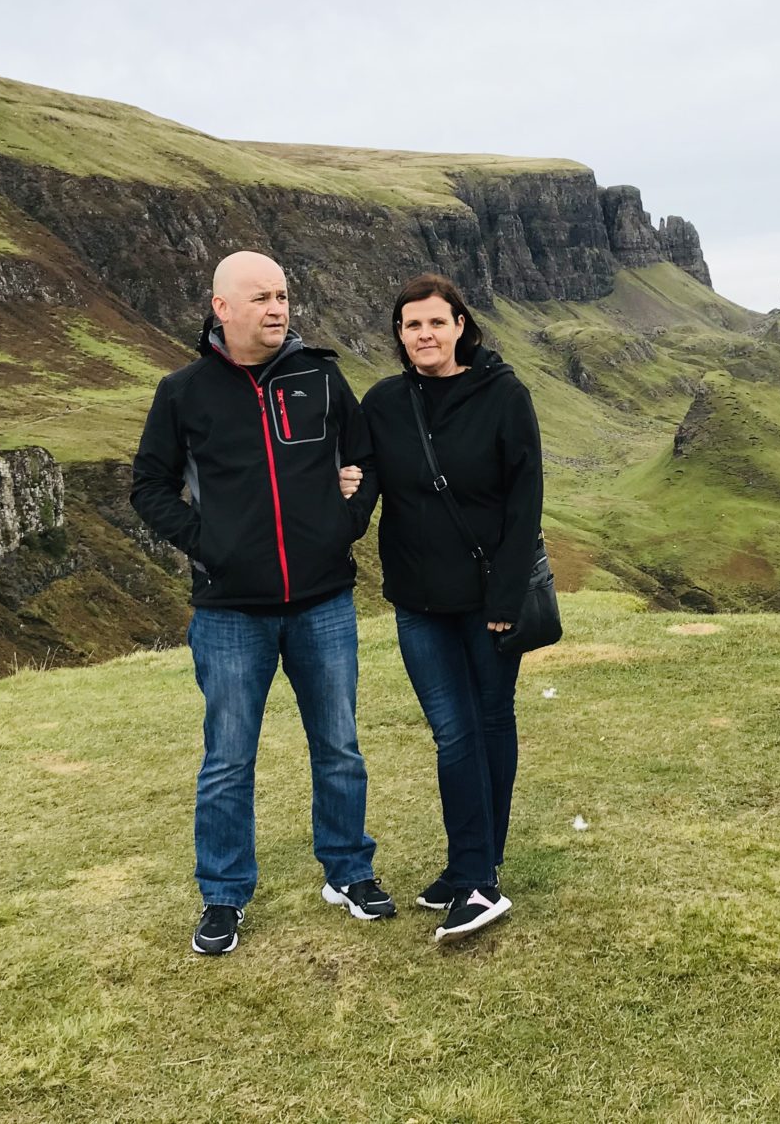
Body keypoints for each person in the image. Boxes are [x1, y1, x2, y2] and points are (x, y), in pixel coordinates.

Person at [130, 250, 395, 956]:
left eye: (282, 296)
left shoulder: (321, 377)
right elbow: (149, 486)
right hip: (228, 612)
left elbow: (365, 460)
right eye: (261, 298)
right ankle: (223, 896)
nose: (277, 309)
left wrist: (346, 523)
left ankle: (349, 871)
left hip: (323, 602)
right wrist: (209, 544)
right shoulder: (182, 393)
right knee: (228, 759)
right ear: (222, 308)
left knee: (338, 747)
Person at [355, 273, 545, 943]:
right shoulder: (384, 403)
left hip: (488, 600)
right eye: (412, 325)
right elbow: (366, 485)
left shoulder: (504, 395)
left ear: (461, 325)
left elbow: (525, 500)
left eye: (436, 322)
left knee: (489, 722)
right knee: (453, 733)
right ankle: (473, 865)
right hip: (418, 602)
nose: (425, 334)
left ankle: (477, 876)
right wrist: (341, 491)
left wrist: (506, 597)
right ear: (399, 335)